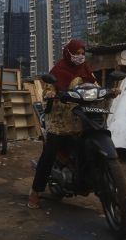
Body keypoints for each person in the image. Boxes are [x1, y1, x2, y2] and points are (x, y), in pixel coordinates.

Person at [28, 39, 97, 209]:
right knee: (49, 154)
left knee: (89, 148)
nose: (80, 57)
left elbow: (95, 84)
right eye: (77, 53)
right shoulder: (58, 69)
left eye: (82, 53)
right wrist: (51, 93)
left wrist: (109, 91)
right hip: (59, 118)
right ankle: (35, 192)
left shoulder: (86, 68)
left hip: (80, 116)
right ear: (68, 53)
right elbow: (48, 88)